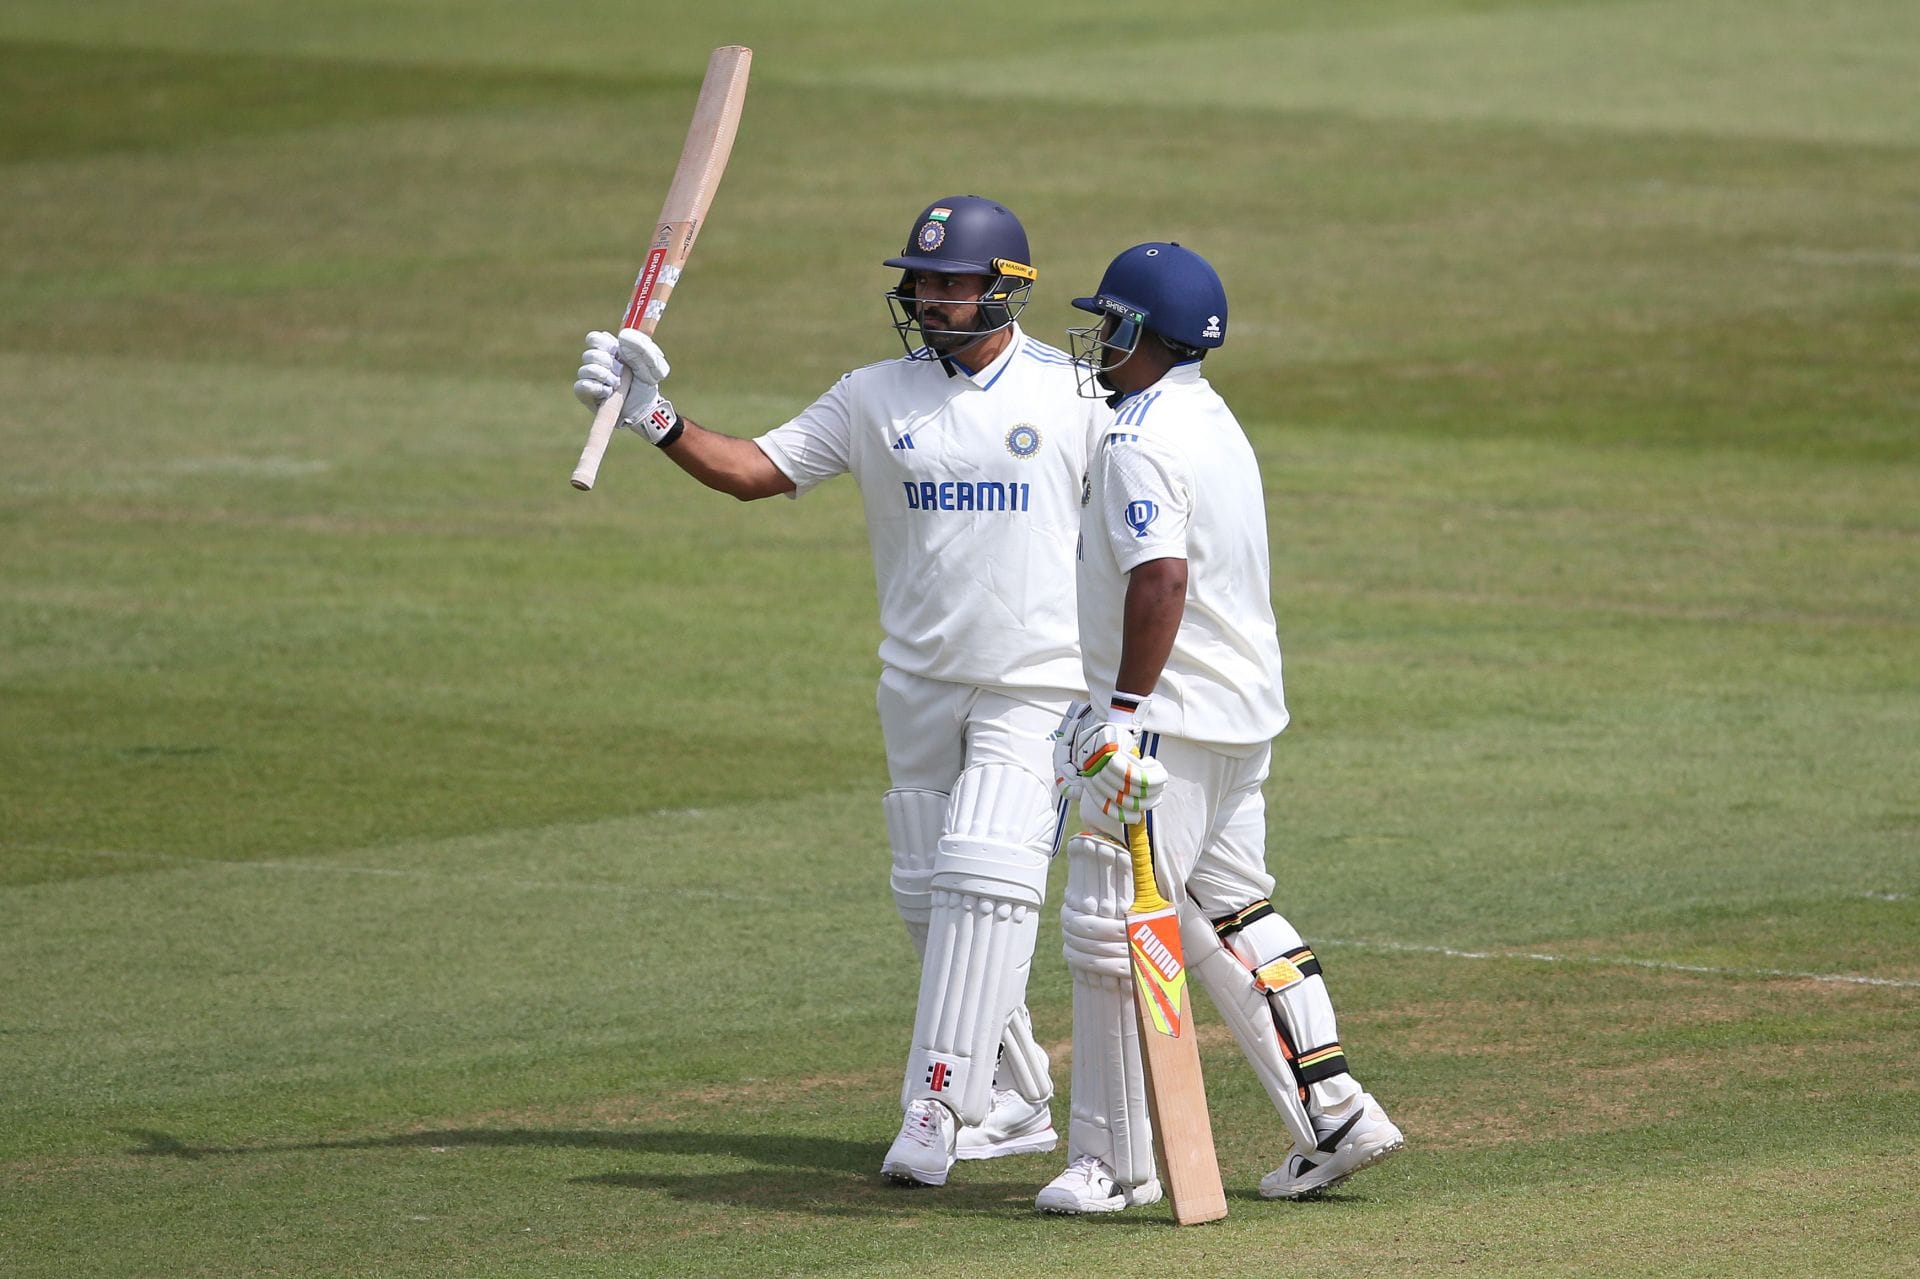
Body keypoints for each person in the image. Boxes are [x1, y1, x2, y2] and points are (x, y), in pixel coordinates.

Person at [572, 196, 1108, 1188]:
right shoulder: (871, 395)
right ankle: (1021, 1098)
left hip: (1036, 685)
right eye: (922, 281)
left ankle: (939, 1104)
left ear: (1004, 289)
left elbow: (1150, 528)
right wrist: (654, 417)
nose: (932, 299)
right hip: (914, 683)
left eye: (953, 283)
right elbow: (755, 472)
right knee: (927, 899)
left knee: (984, 877)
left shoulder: (1078, 391)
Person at [1035, 242, 1403, 1214]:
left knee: (1109, 924)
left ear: (1142, 336)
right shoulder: (1213, 419)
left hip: (1165, 721)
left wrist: (1118, 715)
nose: (1098, 341)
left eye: (1110, 324)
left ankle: (1113, 1163)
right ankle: (1334, 1112)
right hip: (1241, 715)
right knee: (1235, 911)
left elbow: (1162, 577)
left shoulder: (1135, 438)